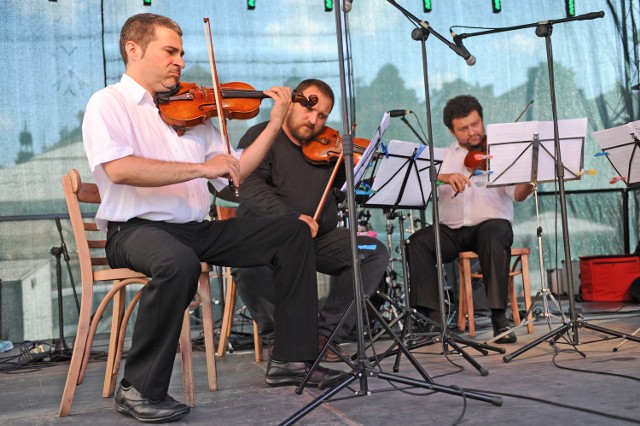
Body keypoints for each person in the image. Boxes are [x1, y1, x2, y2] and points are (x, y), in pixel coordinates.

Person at [81, 14, 344, 423]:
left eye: (182, 53)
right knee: (177, 263)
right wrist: (200, 169)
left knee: (292, 232)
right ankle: (138, 387)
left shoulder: (195, 114)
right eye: (170, 52)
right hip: (135, 230)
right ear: (134, 49)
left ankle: (292, 360)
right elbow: (119, 169)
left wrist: (274, 123)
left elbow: (231, 174)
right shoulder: (108, 103)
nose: (180, 62)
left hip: (194, 230)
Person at [231, 79, 389, 361]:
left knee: (371, 252)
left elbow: (343, 194)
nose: (314, 119)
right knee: (246, 261)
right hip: (270, 236)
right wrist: (292, 218)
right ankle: (280, 339)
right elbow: (250, 186)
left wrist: (356, 172)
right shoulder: (262, 136)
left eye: (322, 115)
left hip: (318, 239)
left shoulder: (328, 150)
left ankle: (325, 334)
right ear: (291, 102)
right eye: (309, 108)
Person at [406, 95, 532, 344]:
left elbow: (517, 195)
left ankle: (499, 319)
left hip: (491, 224)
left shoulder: (497, 154)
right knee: (417, 243)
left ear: (482, 120)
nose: (473, 132)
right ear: (452, 131)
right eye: (464, 128)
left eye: (476, 124)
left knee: (494, 236)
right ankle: (433, 321)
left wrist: (529, 179)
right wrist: (442, 177)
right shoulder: (442, 157)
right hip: (452, 230)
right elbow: (416, 179)